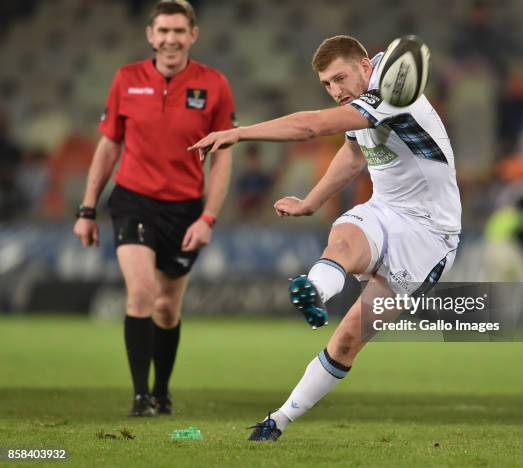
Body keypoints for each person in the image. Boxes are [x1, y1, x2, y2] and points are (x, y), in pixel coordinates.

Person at [190, 35, 461, 440]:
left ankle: (286, 411)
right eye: (326, 85)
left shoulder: (393, 93)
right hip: (383, 210)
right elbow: (354, 154)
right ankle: (313, 296)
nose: (335, 91)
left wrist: (241, 132)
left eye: (339, 79)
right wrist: (311, 202)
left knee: (349, 338)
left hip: (430, 235)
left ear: (366, 67)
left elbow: (311, 126)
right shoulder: (368, 91)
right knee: (343, 241)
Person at [73, 0, 235, 417]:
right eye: (163, 31)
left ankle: (161, 392)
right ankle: (140, 396)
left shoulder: (214, 85)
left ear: (192, 35)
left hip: (185, 209)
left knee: (167, 306)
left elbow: (223, 159)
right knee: (142, 294)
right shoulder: (126, 79)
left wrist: (208, 217)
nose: (170, 39)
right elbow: (109, 144)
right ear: (150, 35)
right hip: (132, 201)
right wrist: (87, 209)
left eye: (179, 31)